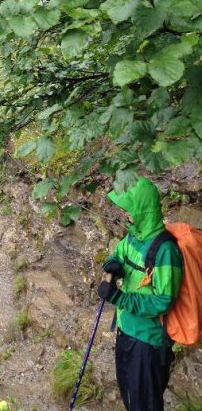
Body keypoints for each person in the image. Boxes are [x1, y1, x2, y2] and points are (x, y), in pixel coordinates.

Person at [99, 176, 183, 411]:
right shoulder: (134, 236)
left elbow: (163, 301)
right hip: (126, 330)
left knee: (144, 404)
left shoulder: (166, 250)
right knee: (129, 396)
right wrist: (113, 264)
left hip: (148, 343)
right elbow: (119, 253)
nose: (125, 213)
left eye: (129, 208)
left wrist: (119, 298)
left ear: (143, 208)